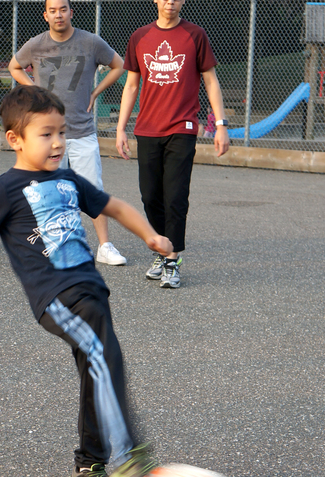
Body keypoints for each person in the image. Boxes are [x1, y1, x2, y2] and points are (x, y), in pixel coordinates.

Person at [0, 85, 173, 477]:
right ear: (15, 139)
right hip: (56, 298)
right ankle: (129, 457)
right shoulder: (5, 188)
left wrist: (149, 234)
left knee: (98, 371)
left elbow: (114, 207)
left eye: (61, 132)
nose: (57, 142)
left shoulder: (69, 179)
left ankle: (89, 468)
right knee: (106, 358)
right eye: (45, 134)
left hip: (92, 292)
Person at [116, 0, 230, 288]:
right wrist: (121, 129)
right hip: (147, 129)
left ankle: (172, 259)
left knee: (175, 195)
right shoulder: (139, 37)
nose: (170, 1)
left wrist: (221, 125)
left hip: (183, 127)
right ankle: (161, 249)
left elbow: (211, 81)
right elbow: (131, 85)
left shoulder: (195, 35)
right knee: (150, 195)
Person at [9, 0, 128, 267]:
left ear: (71, 12)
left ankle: (105, 247)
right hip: (48, 135)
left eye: (63, 9)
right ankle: (54, 244)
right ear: (45, 15)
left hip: (82, 130)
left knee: (93, 190)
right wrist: (34, 91)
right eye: (53, 10)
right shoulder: (36, 44)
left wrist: (96, 92)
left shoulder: (90, 42)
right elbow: (15, 67)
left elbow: (119, 65)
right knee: (50, 191)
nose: (58, 14)